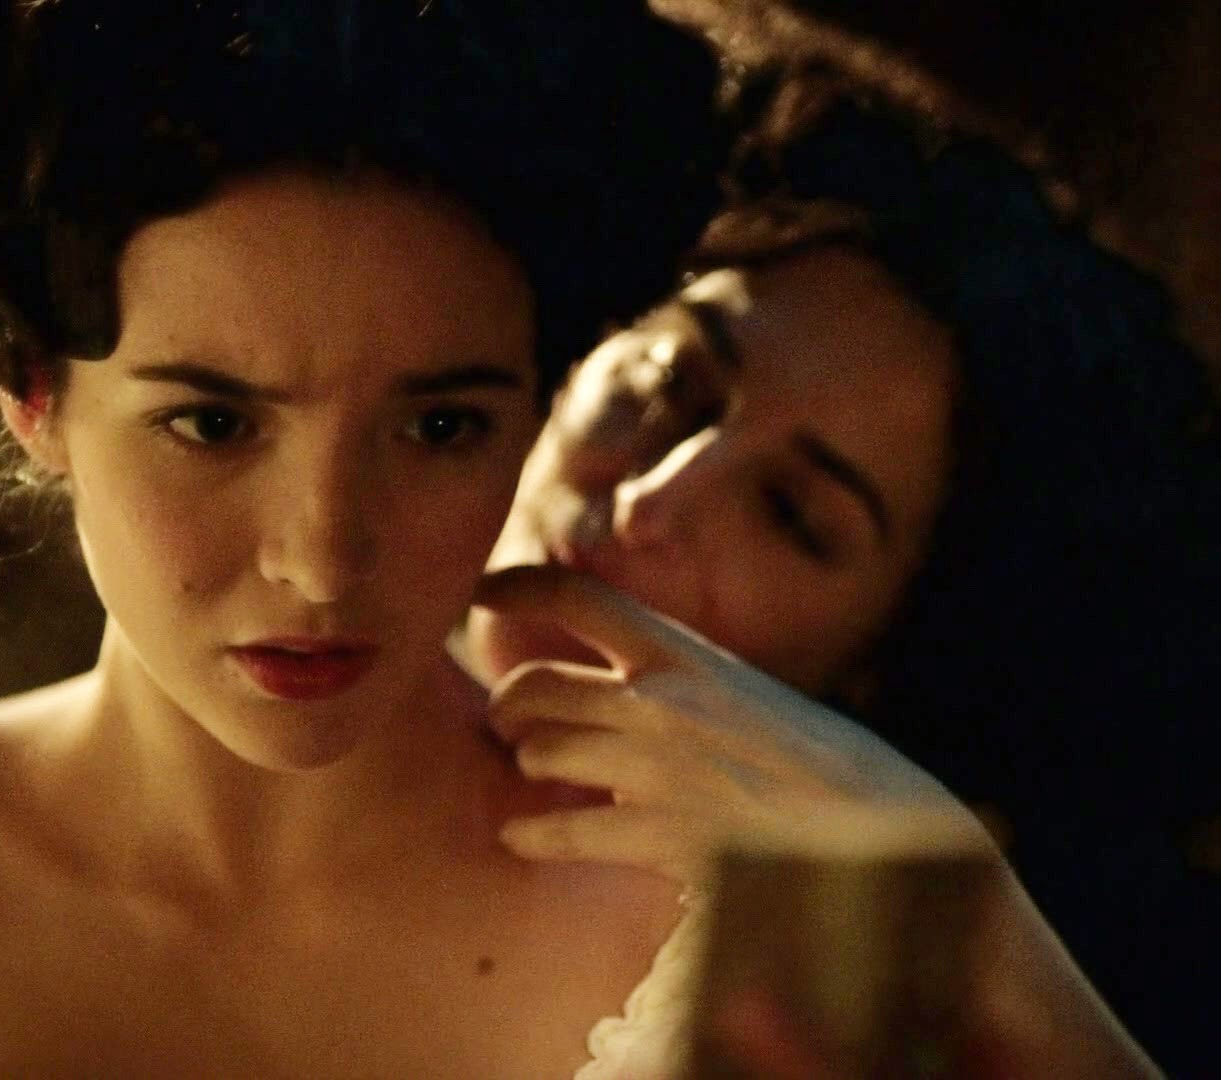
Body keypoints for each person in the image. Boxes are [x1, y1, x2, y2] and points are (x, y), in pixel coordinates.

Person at [0, 2, 730, 1077]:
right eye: (211, 424)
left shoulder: (683, 912)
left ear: (534, 411)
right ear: (31, 393)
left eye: (440, 428)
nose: (320, 564)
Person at [468, 62, 1221, 1077]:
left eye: (791, 514)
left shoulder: (822, 1025)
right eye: (670, 383)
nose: (653, 498)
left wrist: (961, 898)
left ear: (870, 666)